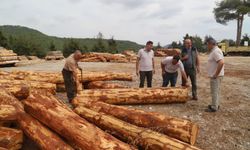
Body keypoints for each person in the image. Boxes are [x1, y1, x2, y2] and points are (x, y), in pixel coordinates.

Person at [206, 37, 224, 112]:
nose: (207, 46)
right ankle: (216, 104)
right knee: (216, 91)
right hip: (216, 76)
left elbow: (221, 62)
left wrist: (216, 74)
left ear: (211, 44)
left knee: (214, 91)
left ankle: (214, 107)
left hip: (216, 76)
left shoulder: (215, 51)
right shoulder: (215, 50)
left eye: (207, 44)